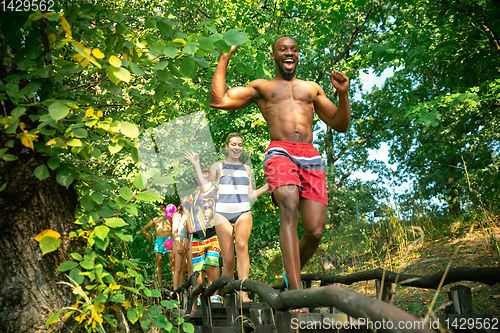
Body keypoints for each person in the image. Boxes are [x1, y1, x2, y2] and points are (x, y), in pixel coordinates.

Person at [209, 36, 351, 311]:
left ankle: (290, 275)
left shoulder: (312, 89)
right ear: (273, 56)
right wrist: (224, 58)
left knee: (315, 230)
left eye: (294, 49)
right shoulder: (262, 87)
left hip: (310, 155)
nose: (289, 53)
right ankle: (296, 293)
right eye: (283, 49)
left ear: (298, 56)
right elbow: (219, 100)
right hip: (280, 152)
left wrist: (343, 94)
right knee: (288, 206)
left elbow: (339, 123)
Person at [207, 133, 269, 303]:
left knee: (242, 245)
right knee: (227, 259)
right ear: (227, 146)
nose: (237, 147)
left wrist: (268, 185)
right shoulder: (217, 166)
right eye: (233, 144)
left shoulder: (247, 169)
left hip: (243, 211)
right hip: (222, 214)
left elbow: (250, 195)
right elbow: (206, 188)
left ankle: (243, 292)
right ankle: (228, 294)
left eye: (240, 145)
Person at [183, 155, 222, 303]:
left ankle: (215, 294)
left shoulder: (215, 191)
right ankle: (201, 295)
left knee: (213, 262)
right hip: (197, 235)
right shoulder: (191, 197)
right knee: (198, 266)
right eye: (202, 174)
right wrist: (187, 236)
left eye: (207, 175)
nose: (204, 177)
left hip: (213, 232)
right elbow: (189, 216)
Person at [141, 203, 174, 287]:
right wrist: (146, 234)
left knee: (172, 261)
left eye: (163, 208)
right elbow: (143, 228)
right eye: (160, 208)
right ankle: (159, 283)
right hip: (159, 240)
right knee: (158, 261)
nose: (161, 209)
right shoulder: (155, 219)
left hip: (168, 239)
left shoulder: (169, 218)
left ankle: (175, 282)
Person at [171, 202, 192, 290]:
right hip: (179, 240)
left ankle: (191, 290)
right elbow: (174, 231)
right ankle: (176, 291)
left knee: (190, 267)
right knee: (178, 268)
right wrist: (178, 245)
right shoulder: (177, 215)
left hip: (189, 239)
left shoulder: (190, 214)